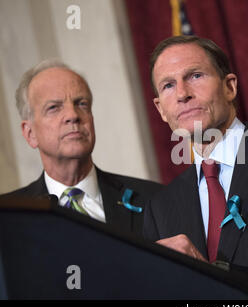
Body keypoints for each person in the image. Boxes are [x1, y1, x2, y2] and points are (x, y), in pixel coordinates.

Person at [143, 35, 248, 298]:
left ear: (229, 87)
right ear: (161, 110)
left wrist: (221, 278)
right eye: (168, 85)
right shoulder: (161, 209)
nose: (182, 94)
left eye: (195, 76)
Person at [0, 59, 162, 235]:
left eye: (81, 104)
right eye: (54, 107)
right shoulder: (7, 216)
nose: (72, 115)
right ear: (30, 133)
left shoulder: (154, 200)